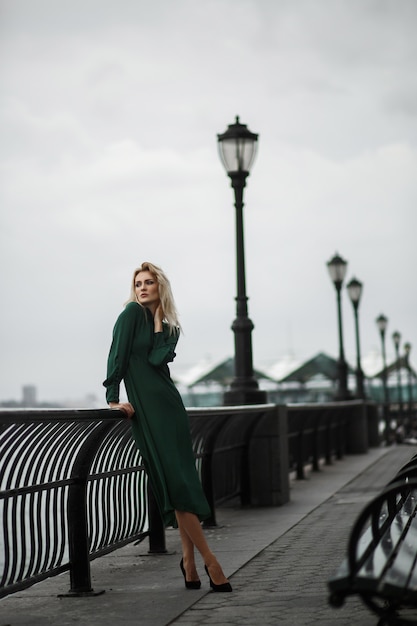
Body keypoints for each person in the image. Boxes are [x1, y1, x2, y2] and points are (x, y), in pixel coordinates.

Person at [103, 262, 232, 592]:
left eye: (149, 283)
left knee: (182, 484)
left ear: (160, 287)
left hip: (170, 408)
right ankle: (209, 560)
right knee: (176, 486)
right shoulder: (129, 315)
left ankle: (190, 563)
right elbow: (116, 356)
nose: (142, 288)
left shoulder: (170, 327)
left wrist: (159, 322)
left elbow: (157, 361)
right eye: (137, 283)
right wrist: (113, 398)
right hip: (147, 411)